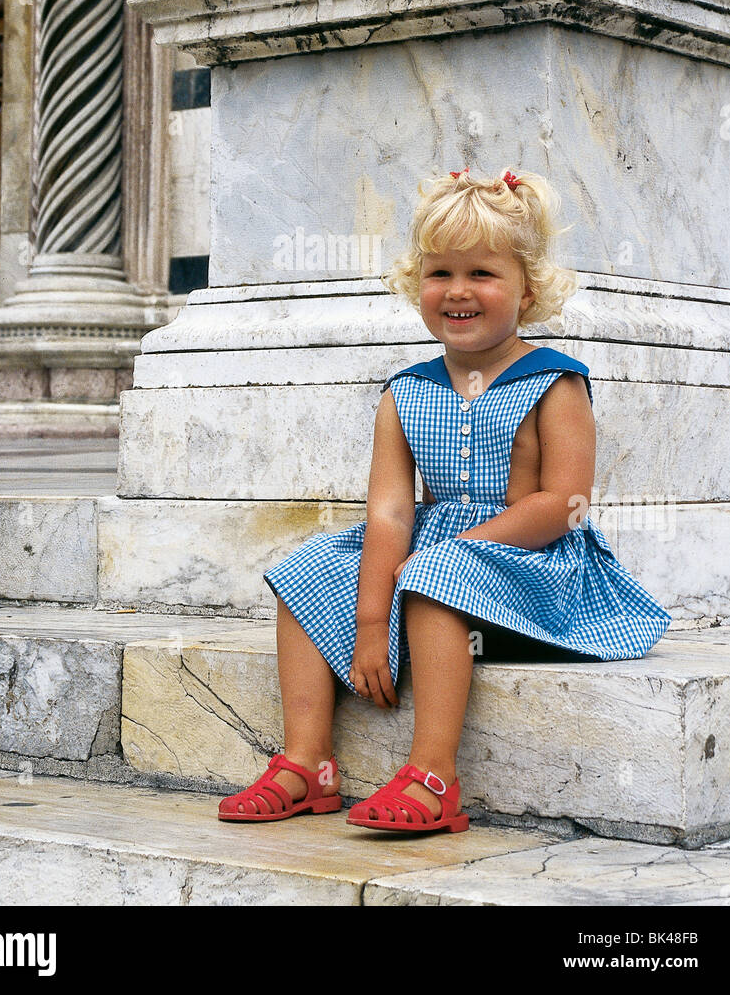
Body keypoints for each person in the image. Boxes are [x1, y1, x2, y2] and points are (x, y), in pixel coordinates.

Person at [217, 166, 671, 832]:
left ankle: (434, 776)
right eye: (439, 273)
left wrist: (453, 552)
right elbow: (391, 513)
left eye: (482, 273)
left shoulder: (553, 381)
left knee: (434, 572)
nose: (458, 291)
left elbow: (562, 503)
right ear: (416, 283)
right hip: (433, 563)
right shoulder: (406, 392)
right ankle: (306, 761)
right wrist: (372, 618)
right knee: (307, 568)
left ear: (528, 287)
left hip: (535, 565)